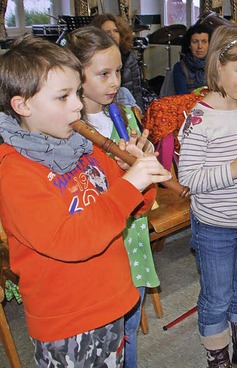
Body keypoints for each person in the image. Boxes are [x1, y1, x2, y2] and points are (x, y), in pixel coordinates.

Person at [0, 35, 170, 367]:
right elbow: (71, 241)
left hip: (112, 298)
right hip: (69, 318)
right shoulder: (14, 172)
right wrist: (127, 187)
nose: (78, 105)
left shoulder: (84, 147)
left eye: (77, 93)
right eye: (63, 97)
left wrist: (136, 174)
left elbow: (132, 207)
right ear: (22, 105)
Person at [177, 25, 237, 368]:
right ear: (218, 66)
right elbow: (188, 178)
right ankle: (218, 356)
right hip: (215, 225)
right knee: (217, 297)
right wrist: (234, 169)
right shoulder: (200, 119)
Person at [65, 26, 161, 368]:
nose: (114, 82)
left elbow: (143, 193)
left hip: (132, 237)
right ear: (75, 76)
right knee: (102, 335)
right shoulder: (68, 131)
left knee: (129, 329)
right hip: (101, 243)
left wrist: (144, 157)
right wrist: (123, 173)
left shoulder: (123, 117)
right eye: (103, 73)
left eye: (118, 71)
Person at [92, 14, 145, 111]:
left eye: (115, 31)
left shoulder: (129, 56)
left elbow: (137, 91)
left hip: (126, 103)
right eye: (107, 32)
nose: (112, 35)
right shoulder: (94, 58)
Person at [173, 23, 211, 95]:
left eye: (204, 42)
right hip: (189, 104)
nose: (200, 46)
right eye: (195, 42)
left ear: (209, 44)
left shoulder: (217, 65)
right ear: (189, 45)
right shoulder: (180, 67)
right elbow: (182, 96)